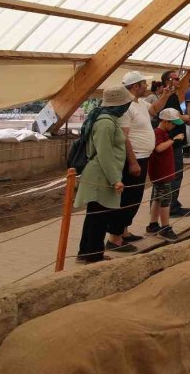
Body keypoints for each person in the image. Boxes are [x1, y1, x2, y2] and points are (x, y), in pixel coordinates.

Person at [105, 71, 165, 252]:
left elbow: (154, 110)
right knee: (127, 198)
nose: (146, 86)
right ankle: (114, 239)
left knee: (134, 198)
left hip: (142, 156)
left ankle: (124, 232)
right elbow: (124, 137)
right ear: (134, 86)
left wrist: (166, 95)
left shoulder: (140, 103)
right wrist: (132, 162)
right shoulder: (126, 107)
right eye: (143, 84)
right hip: (134, 158)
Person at [74, 86, 133, 264]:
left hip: (104, 173)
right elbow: (104, 153)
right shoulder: (105, 123)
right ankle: (92, 254)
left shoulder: (110, 120)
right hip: (101, 175)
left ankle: (90, 252)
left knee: (97, 216)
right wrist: (115, 179)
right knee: (98, 217)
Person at [146, 109, 184, 240]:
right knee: (166, 200)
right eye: (172, 123)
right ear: (165, 121)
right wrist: (174, 140)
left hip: (164, 172)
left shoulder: (163, 133)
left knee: (158, 198)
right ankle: (165, 227)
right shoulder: (158, 133)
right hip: (161, 173)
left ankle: (153, 224)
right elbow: (158, 148)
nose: (173, 126)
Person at [161, 70, 190, 217]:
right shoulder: (169, 96)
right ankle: (171, 207)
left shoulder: (168, 96)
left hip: (172, 140)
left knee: (169, 176)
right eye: (176, 79)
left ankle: (169, 205)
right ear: (168, 81)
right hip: (173, 141)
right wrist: (185, 118)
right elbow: (171, 115)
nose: (179, 81)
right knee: (174, 175)